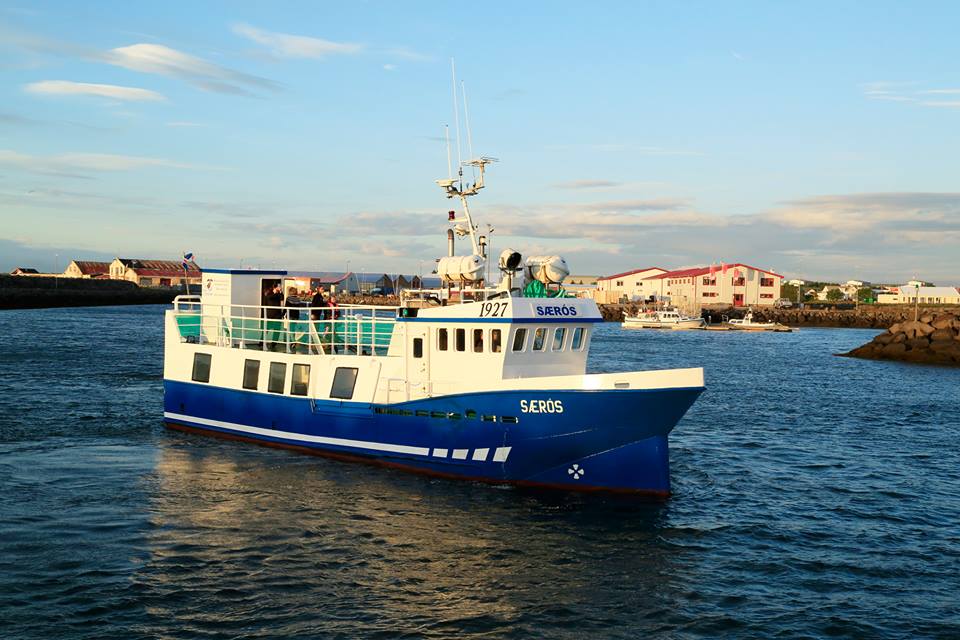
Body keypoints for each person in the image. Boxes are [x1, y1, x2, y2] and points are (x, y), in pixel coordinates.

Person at [263, 284, 283, 350]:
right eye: (279, 287)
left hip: (271, 315)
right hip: (275, 315)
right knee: (275, 330)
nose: (280, 288)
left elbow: (265, 304)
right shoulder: (277, 295)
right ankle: (272, 344)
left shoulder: (269, 295)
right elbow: (282, 304)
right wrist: (279, 292)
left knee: (268, 329)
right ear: (275, 288)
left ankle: (263, 342)